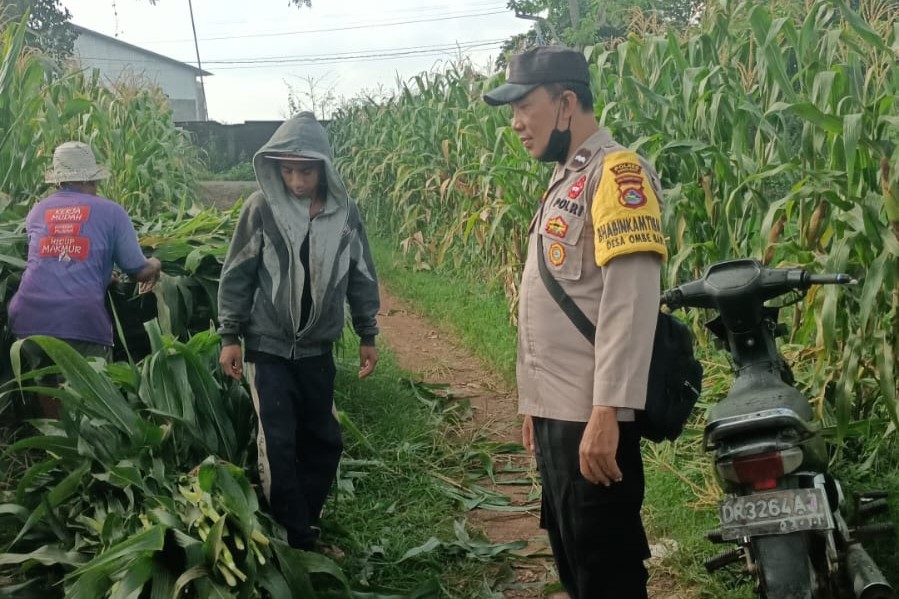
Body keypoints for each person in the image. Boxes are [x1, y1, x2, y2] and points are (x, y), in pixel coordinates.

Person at [484, 46, 668, 598]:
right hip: (560, 417)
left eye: (523, 106)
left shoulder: (618, 174)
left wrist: (608, 409)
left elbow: (628, 303)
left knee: (605, 569)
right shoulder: (569, 176)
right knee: (574, 559)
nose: (515, 124)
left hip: (593, 418)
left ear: (566, 103)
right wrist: (535, 405)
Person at [217, 111, 380, 552]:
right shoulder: (261, 209)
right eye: (287, 170)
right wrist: (229, 335)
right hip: (266, 349)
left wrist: (367, 332)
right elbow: (237, 274)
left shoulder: (345, 215)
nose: (296, 180)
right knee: (279, 444)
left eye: (305, 170)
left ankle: (298, 521)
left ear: (323, 167)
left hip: (316, 350)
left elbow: (361, 275)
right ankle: (298, 538)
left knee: (324, 441)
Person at [7, 141, 161, 417]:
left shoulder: (38, 211)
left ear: (58, 181)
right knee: (93, 397)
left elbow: (52, 260)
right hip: (79, 318)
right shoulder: (111, 212)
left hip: (28, 316)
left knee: (49, 383)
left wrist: (101, 274)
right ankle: (91, 451)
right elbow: (138, 270)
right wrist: (157, 263)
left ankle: (59, 448)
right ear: (92, 178)